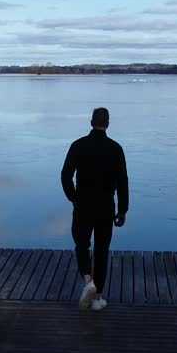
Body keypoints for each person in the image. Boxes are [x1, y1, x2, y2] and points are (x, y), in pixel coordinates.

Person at [60, 106, 129, 311]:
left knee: (81, 244)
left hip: (83, 205)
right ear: (107, 124)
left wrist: (73, 197)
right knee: (102, 250)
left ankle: (88, 282)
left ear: (91, 122)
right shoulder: (116, 149)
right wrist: (123, 210)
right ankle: (97, 298)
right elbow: (122, 182)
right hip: (106, 207)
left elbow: (65, 176)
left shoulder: (78, 146)